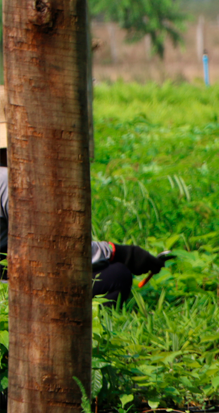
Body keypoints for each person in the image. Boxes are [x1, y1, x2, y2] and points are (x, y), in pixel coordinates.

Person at [0, 87, 170, 305]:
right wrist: (121, 253)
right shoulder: (9, 181)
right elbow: (58, 247)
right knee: (116, 275)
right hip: (14, 291)